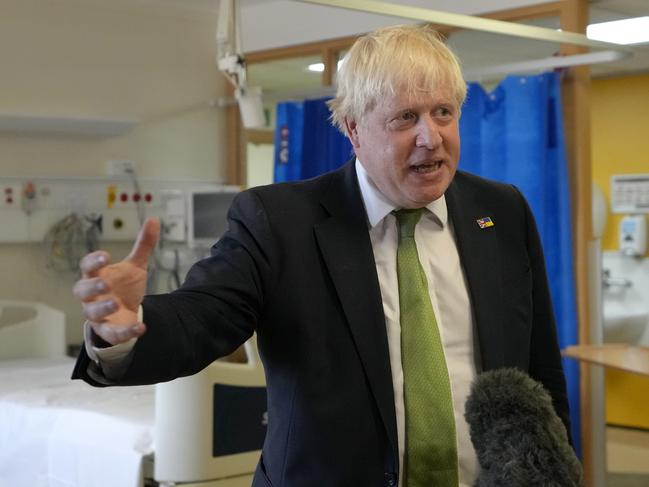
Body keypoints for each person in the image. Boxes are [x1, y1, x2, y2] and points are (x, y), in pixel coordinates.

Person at [72, 24, 571, 487]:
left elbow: (539, 369)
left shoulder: (500, 210)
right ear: (353, 130)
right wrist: (127, 326)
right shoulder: (280, 222)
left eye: (443, 112)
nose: (431, 136)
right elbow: (203, 317)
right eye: (405, 117)